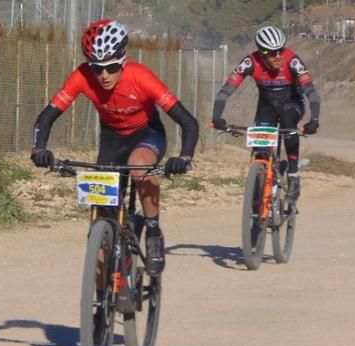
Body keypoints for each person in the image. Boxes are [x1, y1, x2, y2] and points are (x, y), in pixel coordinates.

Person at [30, 18, 199, 276]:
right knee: (100, 220)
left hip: (147, 135)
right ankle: (100, 307)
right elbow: (47, 116)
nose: (104, 76)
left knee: (139, 166)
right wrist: (39, 149)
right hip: (112, 140)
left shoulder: (141, 77)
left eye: (111, 67)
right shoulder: (82, 77)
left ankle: (153, 230)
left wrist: (185, 157)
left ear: (123, 59)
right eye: (97, 69)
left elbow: (188, 121)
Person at [210, 25, 320, 202]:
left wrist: (314, 119)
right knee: (260, 147)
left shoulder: (291, 60)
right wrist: (216, 116)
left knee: (288, 123)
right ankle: (258, 182)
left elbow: (311, 92)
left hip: (291, 103)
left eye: (280, 50)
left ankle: (293, 174)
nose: (277, 56)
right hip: (266, 105)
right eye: (271, 52)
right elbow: (226, 90)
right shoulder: (250, 62)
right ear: (261, 53)